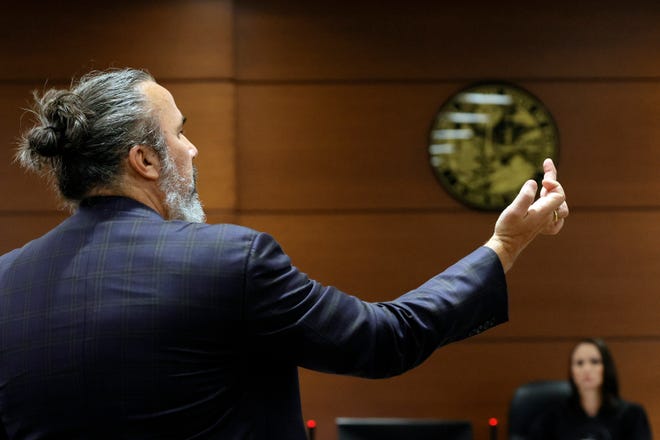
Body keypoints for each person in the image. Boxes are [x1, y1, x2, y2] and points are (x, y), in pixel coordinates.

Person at [0, 68, 568, 439]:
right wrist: (505, 244)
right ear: (144, 160)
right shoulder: (228, 262)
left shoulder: (7, 282)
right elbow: (384, 339)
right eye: (179, 133)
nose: (192, 149)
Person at [529, 338, 652, 440]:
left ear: (606, 368)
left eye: (594, 361)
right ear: (572, 372)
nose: (586, 369)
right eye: (579, 363)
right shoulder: (553, 416)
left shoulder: (632, 415)